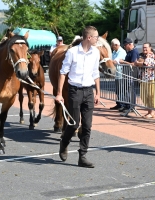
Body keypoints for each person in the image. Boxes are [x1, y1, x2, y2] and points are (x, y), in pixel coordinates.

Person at [55, 26, 100, 168]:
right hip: (74, 91)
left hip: (88, 91)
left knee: (87, 126)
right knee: (74, 124)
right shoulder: (72, 52)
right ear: (89, 38)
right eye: (96, 37)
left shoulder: (96, 52)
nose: (97, 39)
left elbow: (95, 73)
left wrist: (98, 93)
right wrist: (59, 94)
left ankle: (83, 156)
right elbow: (63, 72)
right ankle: (64, 142)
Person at [135, 42, 155, 118]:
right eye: (143, 47)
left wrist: (138, 63)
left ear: (150, 48)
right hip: (143, 78)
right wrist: (138, 63)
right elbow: (136, 63)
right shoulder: (142, 55)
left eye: (146, 47)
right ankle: (149, 111)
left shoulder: (151, 55)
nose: (144, 49)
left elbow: (145, 64)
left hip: (151, 78)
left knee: (151, 95)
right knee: (144, 95)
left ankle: (151, 112)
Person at [119, 38, 139, 112]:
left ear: (130, 44)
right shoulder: (130, 51)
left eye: (125, 45)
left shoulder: (134, 52)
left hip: (131, 73)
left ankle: (131, 106)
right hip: (127, 73)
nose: (125, 47)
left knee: (130, 89)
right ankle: (127, 105)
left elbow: (133, 64)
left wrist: (123, 62)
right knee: (126, 89)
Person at [110, 38, 127, 110]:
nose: (111, 46)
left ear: (116, 45)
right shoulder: (114, 52)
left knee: (121, 89)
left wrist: (111, 62)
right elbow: (111, 60)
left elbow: (115, 61)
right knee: (117, 89)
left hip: (121, 73)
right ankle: (119, 103)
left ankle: (122, 104)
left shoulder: (121, 52)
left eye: (112, 45)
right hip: (116, 73)